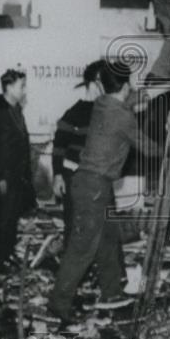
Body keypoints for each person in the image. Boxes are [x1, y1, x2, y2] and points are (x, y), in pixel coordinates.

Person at [47, 60, 159, 327]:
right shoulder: (121, 116)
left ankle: (112, 292)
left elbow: (129, 98)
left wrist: (157, 90)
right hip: (94, 187)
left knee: (107, 238)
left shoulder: (101, 104)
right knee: (82, 248)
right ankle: (58, 304)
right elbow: (148, 148)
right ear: (125, 85)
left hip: (93, 184)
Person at [0, 69, 36, 271]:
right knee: (2, 221)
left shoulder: (17, 111)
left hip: (17, 178)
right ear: (9, 87)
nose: (24, 90)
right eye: (21, 86)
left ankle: (7, 254)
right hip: (4, 179)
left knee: (12, 219)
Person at [52, 60, 103, 247]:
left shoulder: (106, 112)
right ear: (93, 83)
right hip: (74, 178)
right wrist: (58, 175)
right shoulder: (74, 113)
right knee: (74, 227)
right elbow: (59, 147)